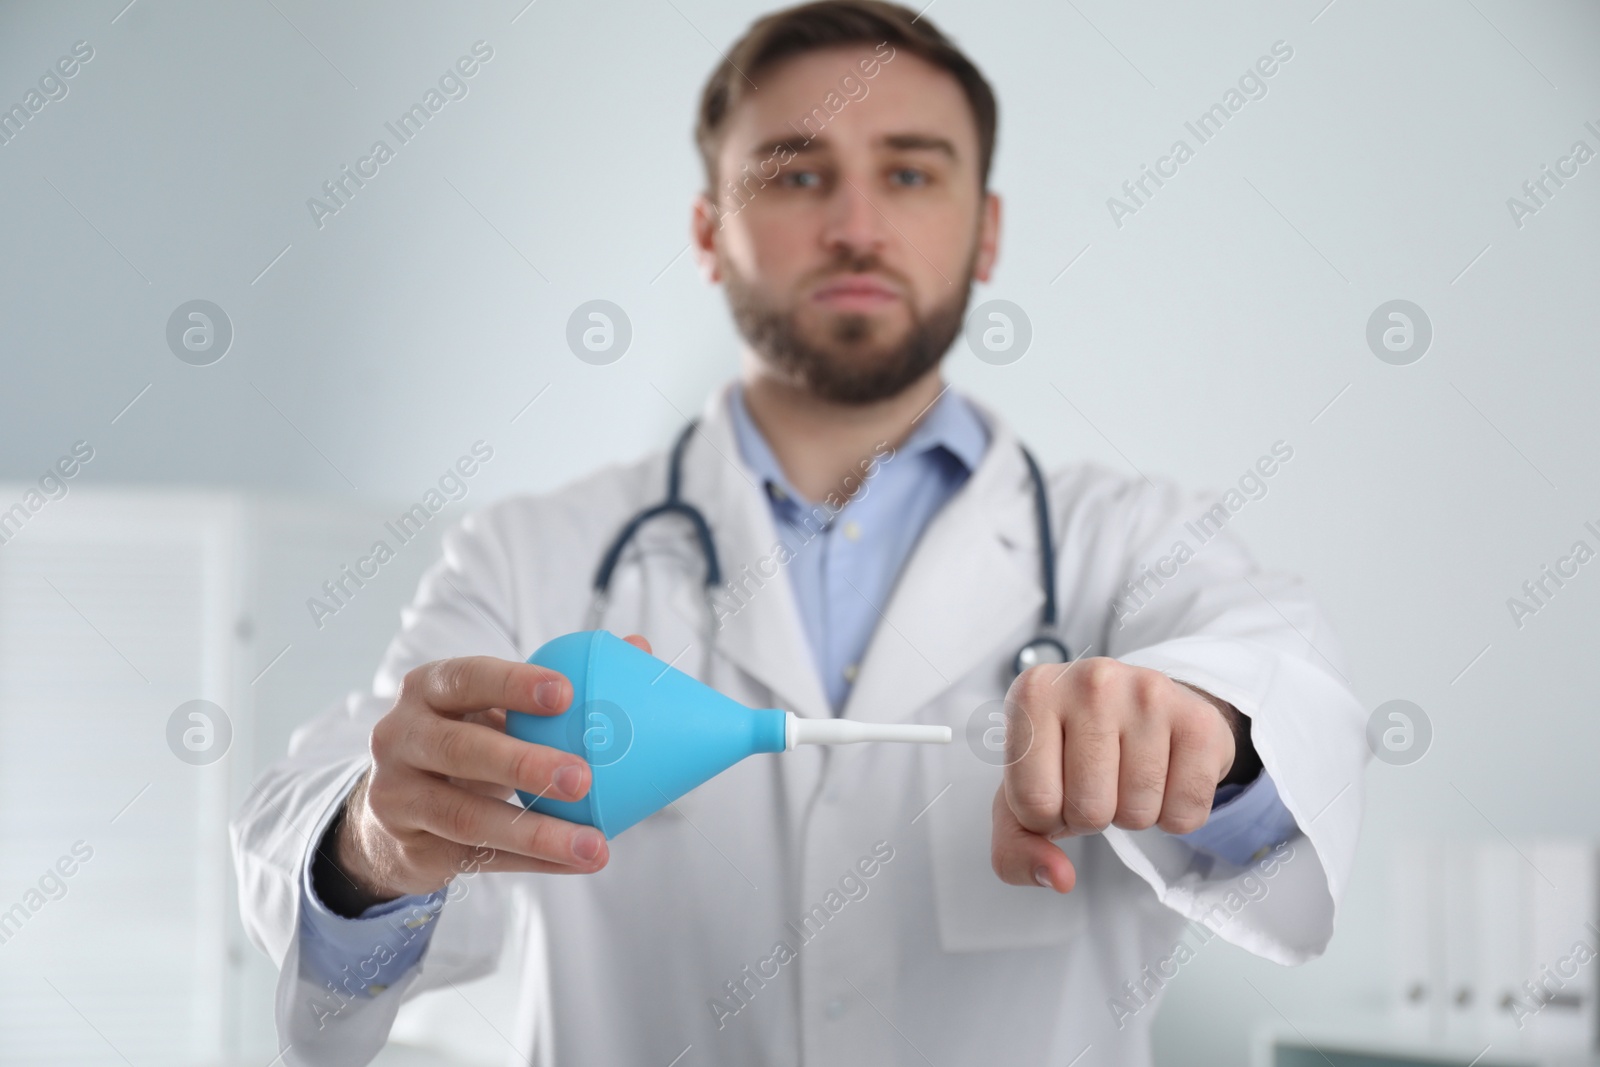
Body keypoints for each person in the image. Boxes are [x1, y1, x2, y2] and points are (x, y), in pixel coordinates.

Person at [230, 3, 1367, 1064]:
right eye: (795, 173)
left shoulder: (1129, 542)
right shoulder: (528, 554)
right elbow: (325, 873)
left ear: (986, 232)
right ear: (708, 231)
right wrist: (377, 846)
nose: (855, 225)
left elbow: (1285, 715)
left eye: (911, 173)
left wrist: (1202, 737)